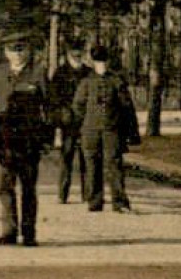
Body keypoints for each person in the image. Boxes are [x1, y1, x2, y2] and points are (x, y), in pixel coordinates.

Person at [0, 30, 50, 246]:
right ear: (6, 52)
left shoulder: (38, 73)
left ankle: (28, 233)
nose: (17, 55)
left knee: (28, 186)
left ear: (28, 51)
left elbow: (49, 107)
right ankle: (9, 231)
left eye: (21, 50)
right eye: (12, 50)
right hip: (4, 138)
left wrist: (47, 139)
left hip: (29, 140)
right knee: (5, 185)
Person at [70, 45, 138, 212]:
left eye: (104, 62)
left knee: (114, 165)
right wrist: (77, 128)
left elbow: (127, 108)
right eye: (99, 62)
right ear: (93, 63)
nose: (102, 65)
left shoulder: (116, 81)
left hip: (111, 130)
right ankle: (94, 201)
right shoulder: (86, 82)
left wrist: (132, 132)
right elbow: (77, 106)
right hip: (90, 131)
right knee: (92, 165)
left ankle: (119, 202)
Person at [46, 36, 88, 204]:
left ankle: (88, 194)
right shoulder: (60, 73)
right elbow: (54, 99)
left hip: (85, 121)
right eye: (74, 53)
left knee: (87, 159)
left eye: (79, 53)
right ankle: (62, 194)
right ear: (68, 53)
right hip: (68, 122)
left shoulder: (88, 73)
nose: (77, 56)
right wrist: (61, 117)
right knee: (67, 158)